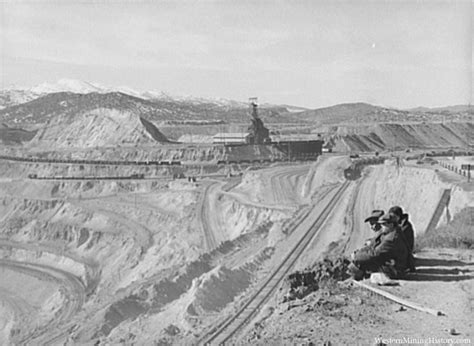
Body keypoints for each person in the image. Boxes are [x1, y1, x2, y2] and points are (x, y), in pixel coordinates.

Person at [348, 213, 409, 280]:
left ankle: (356, 279)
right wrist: (358, 253)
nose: (381, 227)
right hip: (391, 264)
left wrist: (356, 257)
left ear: (391, 225)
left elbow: (375, 254)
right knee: (361, 260)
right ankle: (357, 277)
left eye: (383, 224)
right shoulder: (389, 233)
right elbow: (372, 246)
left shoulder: (391, 239)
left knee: (361, 263)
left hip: (396, 269)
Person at [388, 206, 416, 272]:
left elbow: (395, 240)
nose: (391, 218)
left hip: (404, 256)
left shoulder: (405, 227)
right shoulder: (398, 224)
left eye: (393, 217)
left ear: (399, 216)